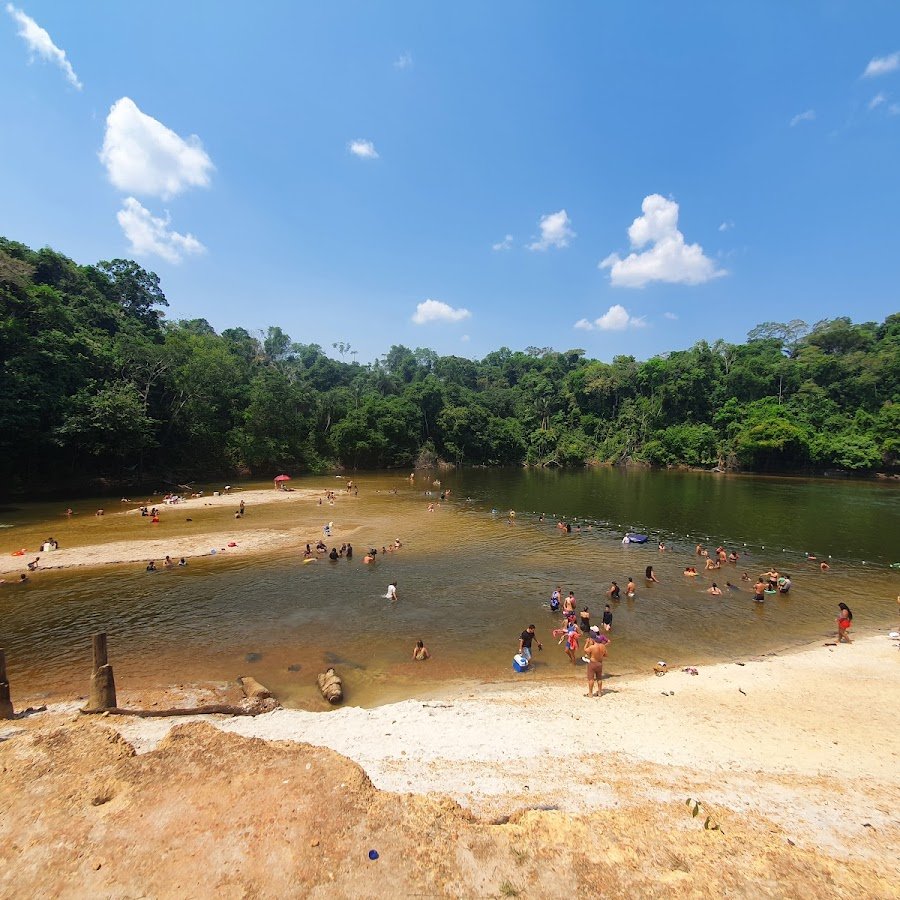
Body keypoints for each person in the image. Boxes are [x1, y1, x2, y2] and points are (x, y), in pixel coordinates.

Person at [583, 630, 608, 697]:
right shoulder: (603, 646)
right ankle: (599, 692)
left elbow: (585, 650)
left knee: (591, 679)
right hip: (600, 664)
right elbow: (606, 655)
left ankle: (590, 693)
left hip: (592, 663)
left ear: (592, 639)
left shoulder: (592, 647)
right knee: (599, 678)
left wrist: (587, 643)